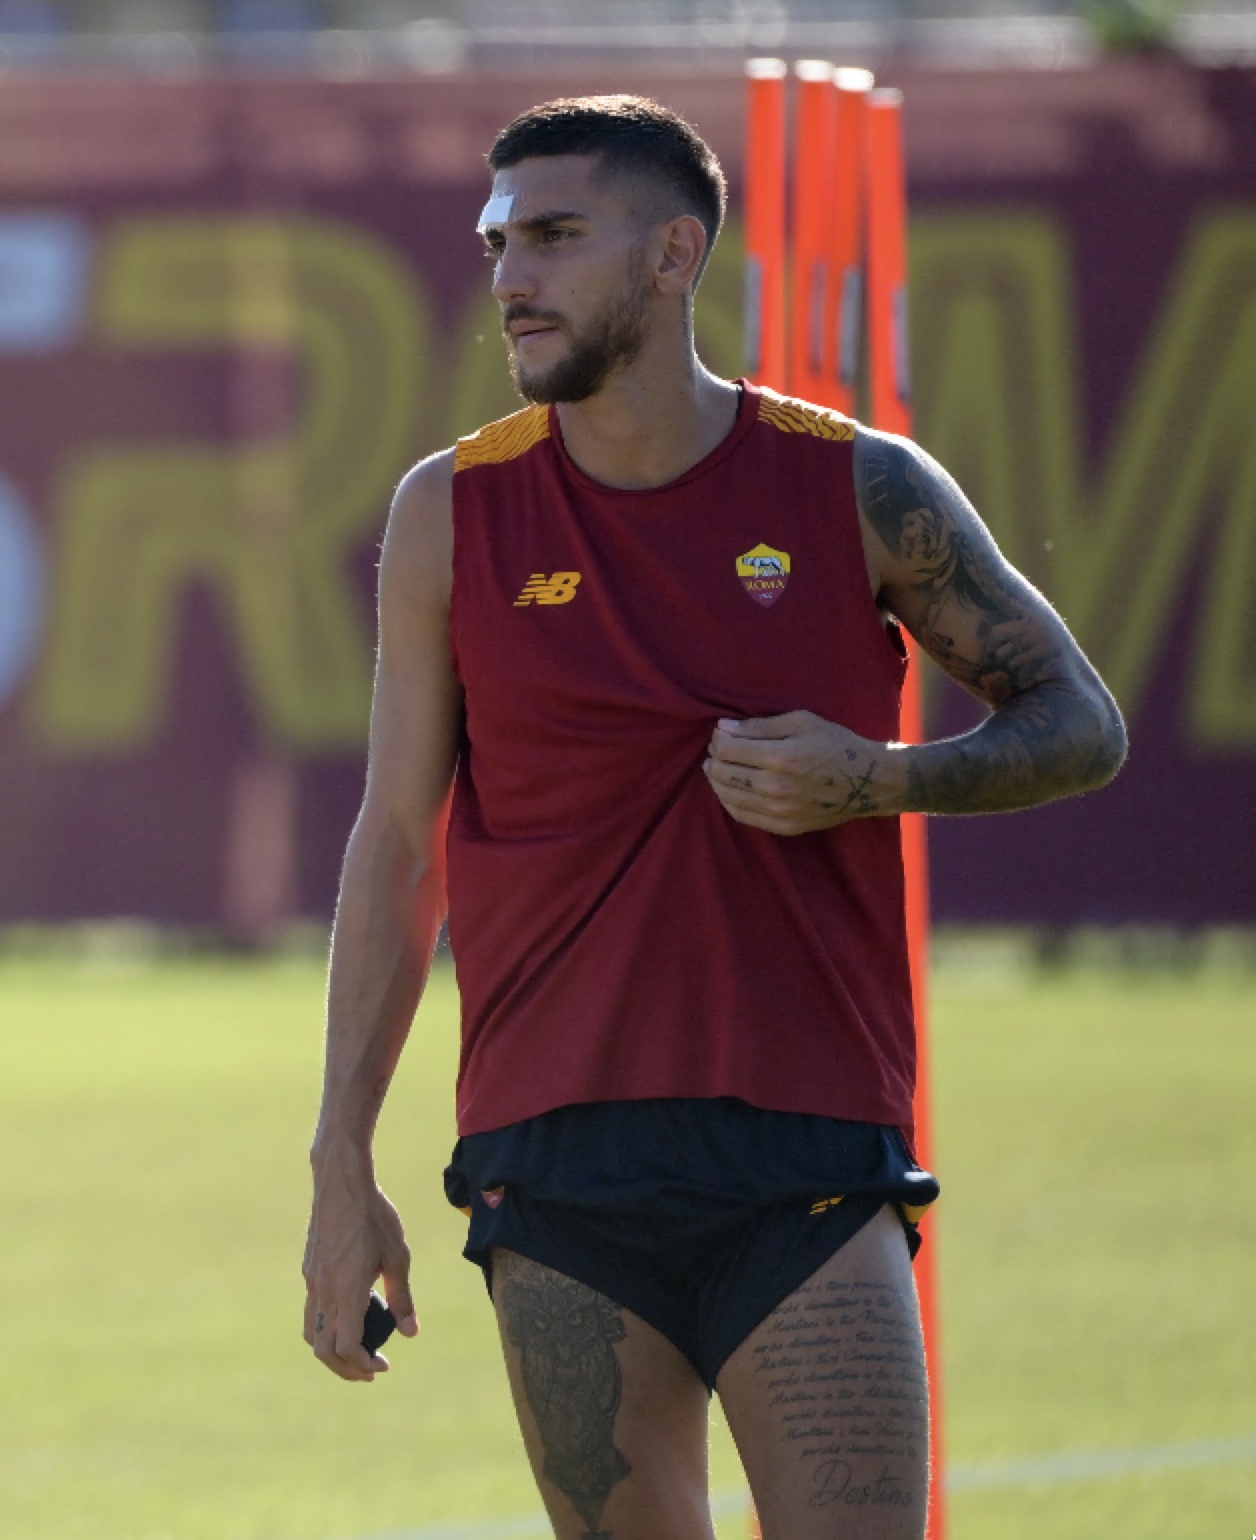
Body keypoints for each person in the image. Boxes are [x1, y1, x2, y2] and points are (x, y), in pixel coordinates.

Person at [301, 97, 1125, 1539]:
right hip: (552, 1168)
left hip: (804, 1157)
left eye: (555, 236)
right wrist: (338, 1162)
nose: (510, 275)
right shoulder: (450, 512)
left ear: (675, 252)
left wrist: (878, 777)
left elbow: (1078, 724)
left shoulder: (854, 481)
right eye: (499, 240)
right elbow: (391, 844)